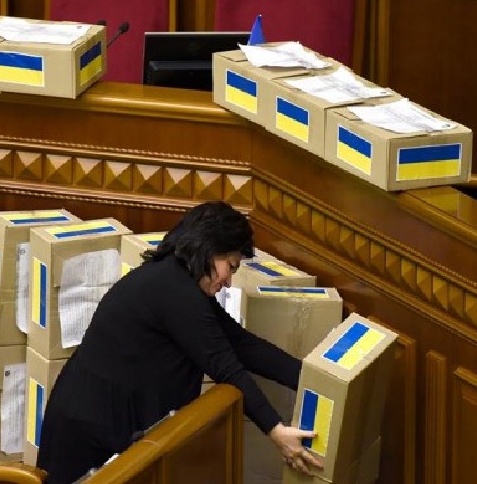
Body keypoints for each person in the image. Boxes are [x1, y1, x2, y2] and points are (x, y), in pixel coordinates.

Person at [36, 201, 324, 483]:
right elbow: (225, 368)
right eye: (231, 266)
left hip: (103, 418)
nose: (228, 281)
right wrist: (276, 431)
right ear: (209, 249)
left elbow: (243, 345)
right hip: (87, 429)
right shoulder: (174, 291)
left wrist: (314, 381)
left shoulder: (178, 283)